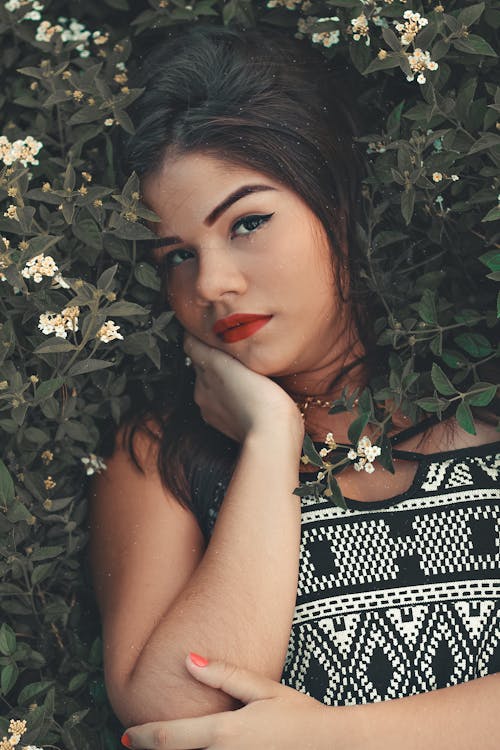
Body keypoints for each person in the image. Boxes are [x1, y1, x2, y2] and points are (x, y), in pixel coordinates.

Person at [88, 23, 500, 750]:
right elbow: (175, 715)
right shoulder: (161, 456)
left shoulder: (484, 398)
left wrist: (339, 737)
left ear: (335, 203)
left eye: (247, 222)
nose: (212, 283)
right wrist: (271, 441)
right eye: (177, 255)